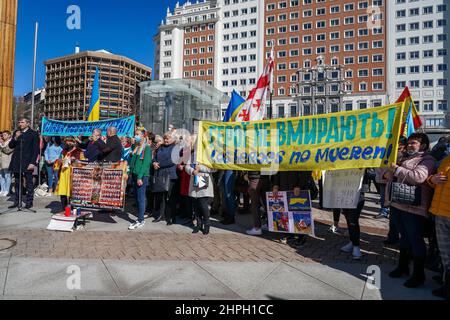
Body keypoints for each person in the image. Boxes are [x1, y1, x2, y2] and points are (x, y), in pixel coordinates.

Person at [385, 133, 436, 288]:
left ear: (424, 146)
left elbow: (418, 177)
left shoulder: (427, 160)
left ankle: (418, 274)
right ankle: (403, 267)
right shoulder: (404, 158)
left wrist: (397, 169)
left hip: (414, 208)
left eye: (413, 143)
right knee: (404, 238)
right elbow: (387, 176)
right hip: (398, 204)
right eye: (409, 143)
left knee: (415, 239)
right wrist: (390, 170)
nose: (409, 145)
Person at [427, 154, 450, 300]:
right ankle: (446, 280)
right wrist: (432, 180)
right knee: (445, 253)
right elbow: (433, 181)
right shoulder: (447, 159)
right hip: (440, 212)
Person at [8, 119, 40, 209]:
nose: (20, 124)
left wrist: (33, 162)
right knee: (17, 182)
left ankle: (29, 201)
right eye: (19, 122)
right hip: (17, 161)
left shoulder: (33, 134)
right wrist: (15, 138)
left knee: (29, 182)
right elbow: (11, 146)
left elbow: (35, 150)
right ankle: (17, 201)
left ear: (28, 123)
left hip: (28, 161)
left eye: (22, 122)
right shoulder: (17, 133)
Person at [383, 136, 408, 245]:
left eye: (399, 148)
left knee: (404, 221)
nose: (397, 151)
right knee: (393, 217)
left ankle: (405, 242)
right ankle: (392, 237)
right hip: (392, 190)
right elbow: (385, 175)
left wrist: (397, 167)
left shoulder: (408, 159)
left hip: (405, 193)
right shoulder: (391, 158)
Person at [185, 151, 216, 235]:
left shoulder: (208, 154)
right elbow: (187, 166)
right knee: (196, 204)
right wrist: (192, 171)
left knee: (203, 203)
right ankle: (198, 224)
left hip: (203, 179)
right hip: (194, 180)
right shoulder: (192, 155)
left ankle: (206, 224)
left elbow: (214, 168)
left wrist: (201, 168)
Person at [152, 131, 178, 225]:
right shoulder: (160, 147)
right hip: (160, 173)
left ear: (173, 139)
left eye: (169, 138)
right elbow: (154, 157)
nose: (166, 140)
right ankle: (160, 215)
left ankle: (171, 217)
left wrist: (160, 164)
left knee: (170, 197)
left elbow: (173, 160)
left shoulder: (175, 148)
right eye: (165, 138)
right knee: (161, 196)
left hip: (170, 175)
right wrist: (154, 163)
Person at [128, 129, 152, 230]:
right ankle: (140, 216)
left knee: (140, 198)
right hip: (134, 174)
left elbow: (146, 164)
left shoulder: (146, 148)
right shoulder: (136, 146)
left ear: (142, 136)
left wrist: (140, 177)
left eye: (137, 134)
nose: (135, 136)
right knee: (136, 198)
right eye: (135, 134)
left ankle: (141, 219)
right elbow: (132, 161)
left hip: (141, 176)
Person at [55, 137, 85, 209]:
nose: (69, 143)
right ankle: (64, 208)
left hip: (73, 174)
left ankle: (73, 208)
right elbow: (57, 162)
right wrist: (60, 161)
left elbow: (83, 163)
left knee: (73, 192)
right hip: (63, 174)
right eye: (67, 141)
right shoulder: (64, 151)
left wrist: (76, 161)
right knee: (63, 191)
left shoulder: (79, 151)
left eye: (71, 141)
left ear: (75, 142)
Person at [0, 131, 14, 196]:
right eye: (2, 135)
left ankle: (7, 190)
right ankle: (2, 190)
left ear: (9, 135)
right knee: (1, 176)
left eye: (5, 135)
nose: (3, 136)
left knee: (7, 176)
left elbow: (8, 151)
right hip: (1, 162)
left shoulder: (11, 142)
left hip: (7, 162)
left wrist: (2, 144)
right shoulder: (2, 142)